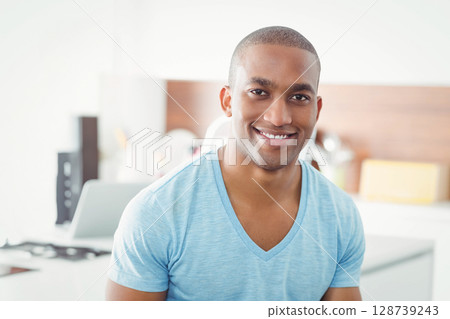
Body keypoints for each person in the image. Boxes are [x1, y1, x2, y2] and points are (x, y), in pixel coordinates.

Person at [106, 26, 365, 301]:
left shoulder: (340, 215)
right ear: (228, 101)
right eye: (259, 92)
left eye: (299, 97)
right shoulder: (155, 212)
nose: (278, 117)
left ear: (317, 108)